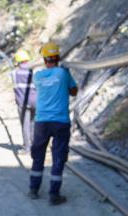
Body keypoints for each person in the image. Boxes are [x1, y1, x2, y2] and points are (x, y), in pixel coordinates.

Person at [28, 42, 78, 205]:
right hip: (60, 122)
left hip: (41, 122)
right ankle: (54, 194)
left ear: (44, 59)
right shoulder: (63, 74)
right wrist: (66, 73)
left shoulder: (37, 76)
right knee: (58, 158)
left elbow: (44, 87)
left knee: (38, 156)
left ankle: (33, 189)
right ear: (58, 57)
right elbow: (74, 92)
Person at [11, 49, 37, 152]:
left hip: (23, 103)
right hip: (35, 101)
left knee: (25, 124)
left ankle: (27, 147)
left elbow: (14, 86)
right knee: (33, 123)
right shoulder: (34, 72)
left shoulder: (14, 73)